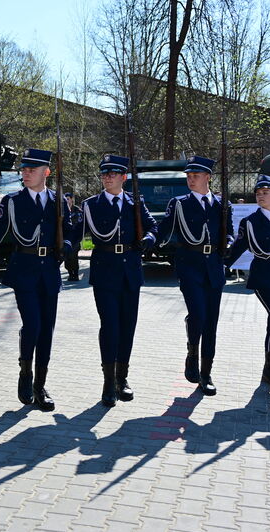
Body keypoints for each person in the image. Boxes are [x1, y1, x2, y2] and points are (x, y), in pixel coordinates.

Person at [0, 148, 74, 411]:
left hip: (49, 270)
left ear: (45, 172)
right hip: (23, 270)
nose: (25, 173)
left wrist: (68, 245)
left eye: (31, 169)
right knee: (33, 325)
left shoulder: (58, 202)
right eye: (23, 169)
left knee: (47, 330)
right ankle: (25, 374)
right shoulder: (11, 201)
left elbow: (70, 231)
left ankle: (41, 386)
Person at [77, 155, 158, 406]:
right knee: (110, 326)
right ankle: (108, 382)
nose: (107, 177)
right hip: (104, 271)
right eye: (104, 174)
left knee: (127, 327)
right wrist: (66, 246)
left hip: (130, 271)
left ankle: (122, 378)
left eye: (113, 174)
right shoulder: (91, 205)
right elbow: (75, 230)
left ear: (124, 177)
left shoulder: (135, 204)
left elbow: (153, 226)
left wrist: (148, 240)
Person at [156, 155, 233, 396]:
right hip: (189, 265)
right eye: (188, 176)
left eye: (196, 176)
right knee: (198, 314)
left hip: (214, 266)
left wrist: (229, 243)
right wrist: (148, 239)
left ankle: (206, 373)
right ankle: (192, 352)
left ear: (208, 177)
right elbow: (164, 230)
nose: (191, 179)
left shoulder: (222, 204)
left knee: (211, 322)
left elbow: (228, 233)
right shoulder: (178, 203)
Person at [225, 175, 270, 392]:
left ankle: (269, 370)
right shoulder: (250, 222)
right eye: (258, 193)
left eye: (266, 192)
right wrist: (222, 265)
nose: (261, 195)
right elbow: (237, 247)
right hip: (263, 275)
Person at [64, 192, 83, 281]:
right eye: (65, 199)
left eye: (68, 198)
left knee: (73, 256)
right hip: (66, 237)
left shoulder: (77, 210)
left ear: (72, 199)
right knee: (67, 256)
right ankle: (70, 273)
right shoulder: (63, 210)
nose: (67, 200)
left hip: (75, 238)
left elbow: (80, 223)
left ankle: (75, 274)